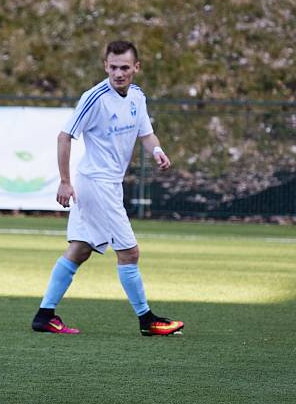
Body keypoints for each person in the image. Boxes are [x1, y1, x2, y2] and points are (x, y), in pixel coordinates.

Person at [31, 40, 184, 336]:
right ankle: (147, 320)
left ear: (136, 68)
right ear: (105, 66)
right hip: (95, 184)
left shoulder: (137, 97)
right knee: (129, 252)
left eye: (125, 67)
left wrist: (157, 151)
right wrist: (64, 181)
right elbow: (65, 136)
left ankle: (44, 315)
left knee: (79, 250)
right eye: (113, 67)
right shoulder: (95, 97)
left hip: (110, 184)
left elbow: (147, 134)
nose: (118, 73)